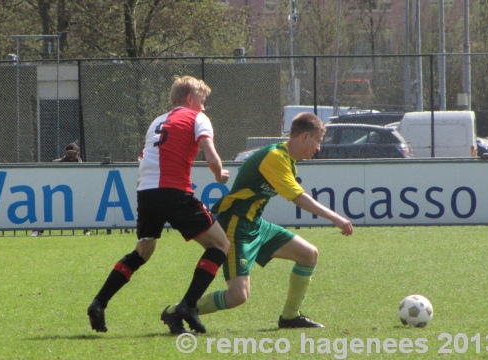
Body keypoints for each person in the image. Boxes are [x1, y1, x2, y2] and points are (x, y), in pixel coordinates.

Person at [162, 112, 354, 330]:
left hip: (256, 225)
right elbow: (299, 198)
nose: (319, 147)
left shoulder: (287, 160)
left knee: (309, 255)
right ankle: (176, 311)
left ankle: (290, 317)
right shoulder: (275, 157)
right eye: (318, 141)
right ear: (305, 137)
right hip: (236, 225)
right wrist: (336, 218)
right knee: (238, 296)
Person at [87, 75, 231, 334]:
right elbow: (210, 154)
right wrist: (219, 175)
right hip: (174, 192)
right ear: (190, 99)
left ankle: (99, 302)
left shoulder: (156, 121)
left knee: (143, 251)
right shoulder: (197, 118)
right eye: (202, 100)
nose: (204, 107)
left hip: (146, 193)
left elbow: (145, 156)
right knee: (220, 244)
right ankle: (188, 306)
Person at [32, 142, 83, 237]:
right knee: (45, 206)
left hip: (77, 195)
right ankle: (38, 230)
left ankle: (87, 230)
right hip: (57, 194)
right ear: (65, 153)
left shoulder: (84, 167)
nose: (71, 156)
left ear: (78, 154)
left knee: (84, 206)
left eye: (73, 154)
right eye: (69, 154)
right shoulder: (56, 163)